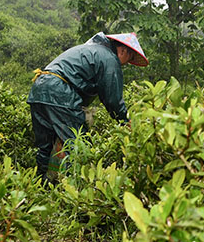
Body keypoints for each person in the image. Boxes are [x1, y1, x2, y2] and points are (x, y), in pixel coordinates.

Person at [27, 32, 148, 184]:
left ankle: (40, 186)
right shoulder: (109, 58)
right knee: (78, 145)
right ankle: (73, 188)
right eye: (129, 59)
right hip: (60, 94)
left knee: (45, 145)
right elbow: (112, 99)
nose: (126, 64)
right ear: (123, 50)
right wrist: (125, 120)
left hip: (39, 88)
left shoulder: (90, 50)